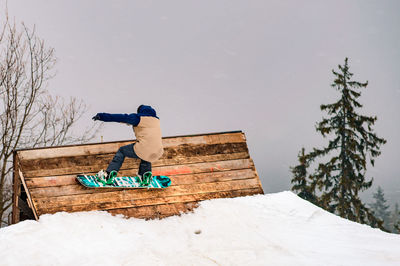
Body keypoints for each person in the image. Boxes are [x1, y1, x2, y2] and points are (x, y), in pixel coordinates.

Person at [92, 105, 163, 185]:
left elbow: (121, 117)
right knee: (146, 153)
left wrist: (102, 116)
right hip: (158, 151)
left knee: (122, 151)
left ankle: (108, 176)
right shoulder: (156, 120)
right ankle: (145, 176)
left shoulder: (139, 118)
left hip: (145, 149)